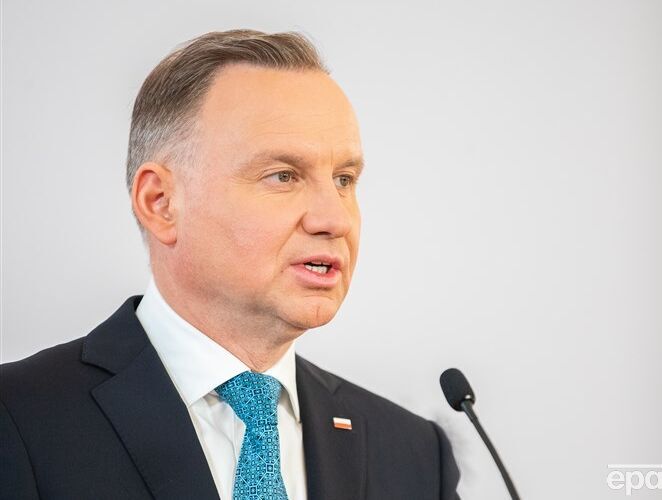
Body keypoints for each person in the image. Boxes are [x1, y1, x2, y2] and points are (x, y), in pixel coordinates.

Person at [1, 30, 460, 499]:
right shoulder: (17, 419)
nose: (334, 220)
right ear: (161, 203)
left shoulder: (415, 456)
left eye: (344, 179)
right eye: (283, 176)